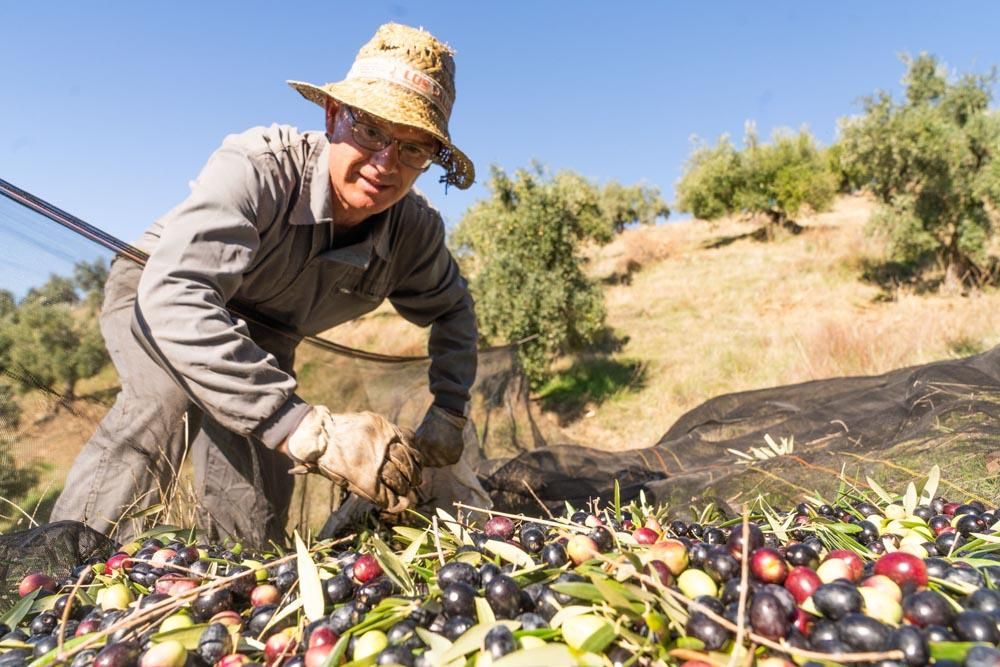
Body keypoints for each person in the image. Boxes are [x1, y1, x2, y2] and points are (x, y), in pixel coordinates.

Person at [50, 22, 489, 547]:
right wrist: (308, 429)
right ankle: (59, 576)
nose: (384, 164)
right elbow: (177, 292)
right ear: (333, 116)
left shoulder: (413, 232)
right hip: (160, 287)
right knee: (166, 398)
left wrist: (449, 407)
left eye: (413, 149)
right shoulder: (260, 167)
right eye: (371, 131)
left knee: (255, 490)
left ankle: (236, 580)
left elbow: (453, 312)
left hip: (267, 333)